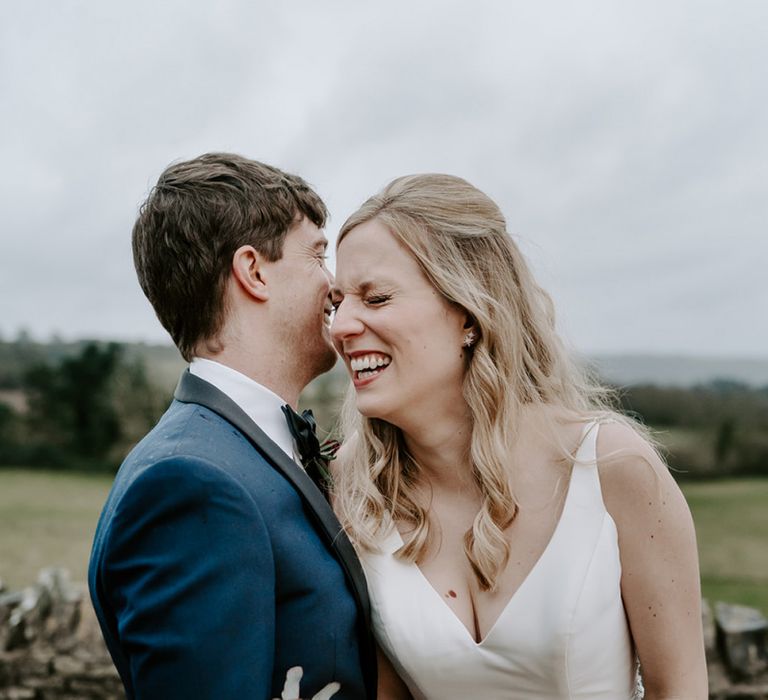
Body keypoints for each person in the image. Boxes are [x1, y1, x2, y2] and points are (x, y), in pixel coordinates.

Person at [329, 174, 708, 699]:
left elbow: (680, 689)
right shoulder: (352, 488)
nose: (341, 325)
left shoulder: (612, 468)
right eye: (336, 302)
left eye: (376, 298)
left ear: (467, 309)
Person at [88, 153, 376, 700]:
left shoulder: (242, 449)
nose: (335, 286)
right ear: (253, 271)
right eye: (318, 254)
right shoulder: (188, 484)